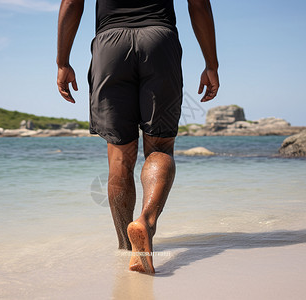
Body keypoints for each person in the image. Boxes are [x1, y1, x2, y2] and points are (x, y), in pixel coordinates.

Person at [57, 0, 219, 274]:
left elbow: (72, 3)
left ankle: (125, 248)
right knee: (160, 147)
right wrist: (211, 64)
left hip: (110, 46)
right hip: (159, 41)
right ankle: (146, 222)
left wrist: (63, 62)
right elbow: (199, 4)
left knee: (119, 157)